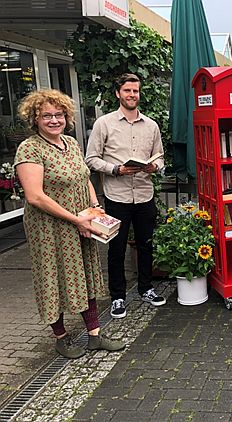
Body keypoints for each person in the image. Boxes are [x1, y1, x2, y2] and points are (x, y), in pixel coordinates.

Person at [14, 89, 125, 358]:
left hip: (81, 222)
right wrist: (77, 219)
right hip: (50, 228)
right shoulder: (30, 148)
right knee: (53, 277)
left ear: (66, 116)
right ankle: (61, 337)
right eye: (46, 116)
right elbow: (35, 196)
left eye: (59, 114)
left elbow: (84, 177)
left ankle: (94, 335)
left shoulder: (71, 143)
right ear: (35, 119)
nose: (54, 120)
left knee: (85, 274)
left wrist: (95, 208)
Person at [85, 73, 166, 319]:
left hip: (144, 194)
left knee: (146, 245)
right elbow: (90, 159)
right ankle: (118, 296)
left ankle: (146, 288)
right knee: (116, 248)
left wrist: (156, 166)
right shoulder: (104, 124)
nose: (132, 95)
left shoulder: (151, 125)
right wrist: (115, 169)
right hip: (117, 196)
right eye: (128, 90)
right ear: (118, 93)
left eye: (136, 91)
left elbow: (160, 156)